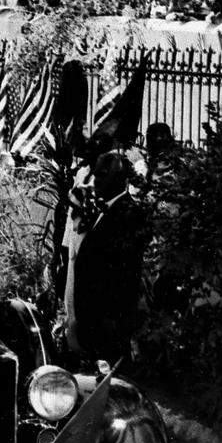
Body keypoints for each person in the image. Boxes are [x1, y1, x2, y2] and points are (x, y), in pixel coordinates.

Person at [66, 152, 151, 363]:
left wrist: (109, 322)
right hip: (92, 320)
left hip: (108, 322)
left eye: (103, 176)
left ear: (119, 181)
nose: (96, 181)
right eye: (96, 175)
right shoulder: (104, 207)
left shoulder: (129, 214)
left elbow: (123, 274)